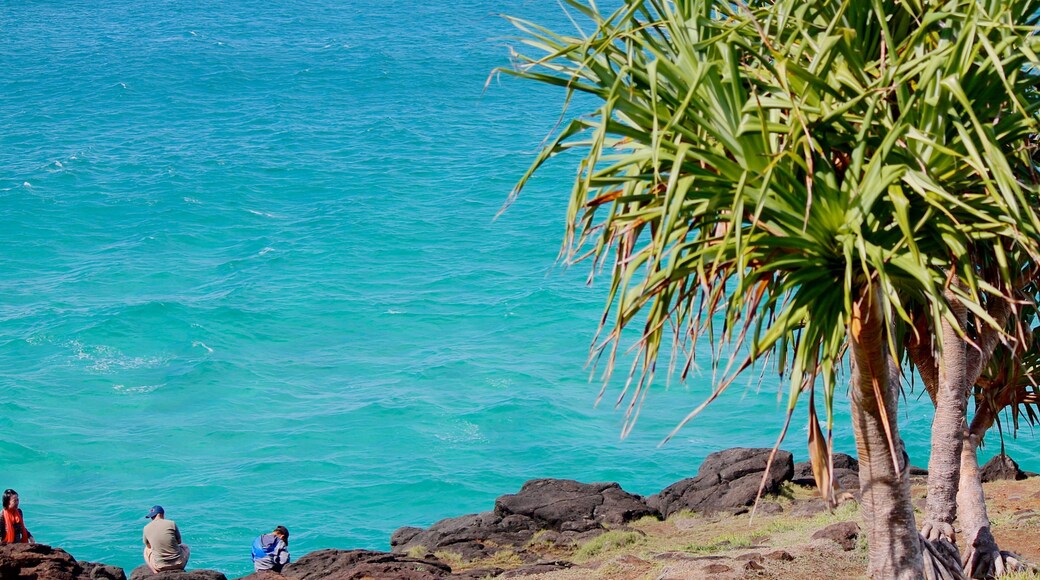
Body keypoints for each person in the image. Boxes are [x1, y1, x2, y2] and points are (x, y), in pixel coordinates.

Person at [142, 505, 190, 572]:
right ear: (162, 514)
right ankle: (179, 568)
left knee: (146, 550)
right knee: (185, 546)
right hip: (179, 564)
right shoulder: (171, 523)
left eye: (152, 516)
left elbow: (149, 546)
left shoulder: (146, 528)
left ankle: (155, 572)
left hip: (160, 567)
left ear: (156, 515)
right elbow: (179, 542)